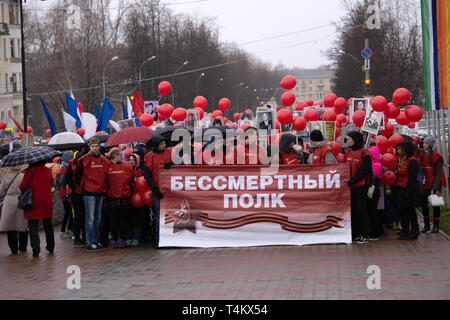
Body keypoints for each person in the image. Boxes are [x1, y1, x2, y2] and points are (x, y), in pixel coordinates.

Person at [75, 137, 111, 252]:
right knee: (90, 219)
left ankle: (95, 240)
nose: (95, 148)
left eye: (96, 146)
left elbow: (107, 174)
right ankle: (89, 242)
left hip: (100, 191)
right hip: (89, 192)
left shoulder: (103, 159)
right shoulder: (84, 159)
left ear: (99, 147)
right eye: (93, 146)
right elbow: (77, 175)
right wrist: (82, 187)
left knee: (98, 219)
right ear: (90, 147)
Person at [20, 160, 54, 258]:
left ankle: (36, 250)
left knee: (33, 227)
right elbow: (51, 183)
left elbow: (23, 186)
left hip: (34, 202)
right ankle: (51, 247)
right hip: (46, 201)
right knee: (48, 225)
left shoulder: (29, 171)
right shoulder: (48, 170)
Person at [345, 131, 372, 243]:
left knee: (361, 211)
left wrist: (353, 180)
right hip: (351, 187)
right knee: (354, 211)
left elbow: (364, 170)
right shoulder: (350, 152)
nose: (348, 141)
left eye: (349, 139)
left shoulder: (365, 153)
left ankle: (365, 234)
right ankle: (355, 233)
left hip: (361, 186)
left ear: (356, 139)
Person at [144, 134, 171, 245]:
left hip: (170, 189)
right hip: (158, 190)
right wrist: (155, 189)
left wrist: (172, 164)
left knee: (170, 214)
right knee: (159, 215)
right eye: (161, 144)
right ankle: (159, 239)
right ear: (156, 145)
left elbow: (179, 166)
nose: (164, 145)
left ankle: (170, 239)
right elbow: (147, 175)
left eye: (164, 143)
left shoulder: (169, 153)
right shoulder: (150, 156)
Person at [106, 148, 134, 248]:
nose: (120, 156)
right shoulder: (107, 166)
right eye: (118, 154)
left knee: (124, 220)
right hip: (112, 197)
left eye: (120, 154)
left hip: (124, 196)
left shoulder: (126, 166)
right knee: (113, 220)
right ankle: (114, 239)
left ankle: (123, 239)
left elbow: (130, 179)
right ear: (113, 155)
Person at [418, 136, 447, 233]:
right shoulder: (421, 154)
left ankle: (436, 226)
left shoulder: (437, 156)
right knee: (424, 204)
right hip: (425, 183)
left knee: (436, 204)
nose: (423, 144)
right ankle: (426, 225)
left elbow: (439, 172)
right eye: (423, 143)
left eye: (426, 143)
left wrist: (435, 187)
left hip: (437, 184)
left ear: (430, 145)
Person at [394, 141, 420, 240]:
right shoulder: (401, 159)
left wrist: (408, 192)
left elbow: (412, 178)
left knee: (410, 211)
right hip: (401, 187)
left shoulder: (412, 161)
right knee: (403, 211)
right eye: (398, 149)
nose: (398, 151)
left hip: (409, 189)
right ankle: (405, 230)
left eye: (400, 149)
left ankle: (414, 231)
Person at [0, 165, 28, 254]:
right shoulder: (23, 176)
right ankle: (23, 247)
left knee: (10, 226)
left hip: (9, 202)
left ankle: (13, 249)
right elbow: (27, 189)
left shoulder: (6, 177)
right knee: (22, 226)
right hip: (21, 201)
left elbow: (1, 192)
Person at [66, 148, 88, 247]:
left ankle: (81, 237)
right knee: (80, 216)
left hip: (79, 193)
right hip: (77, 193)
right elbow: (68, 179)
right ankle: (79, 237)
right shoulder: (73, 165)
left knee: (80, 216)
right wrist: (75, 188)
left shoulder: (72, 164)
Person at [367, 145, 383, 240]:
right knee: (370, 211)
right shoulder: (373, 163)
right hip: (372, 190)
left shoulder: (376, 165)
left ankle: (375, 232)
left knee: (373, 211)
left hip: (373, 190)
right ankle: (372, 230)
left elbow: (372, 177)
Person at [58, 152, 74, 239]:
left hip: (63, 192)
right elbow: (63, 181)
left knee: (68, 212)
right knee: (68, 212)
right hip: (65, 192)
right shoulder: (65, 168)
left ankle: (66, 230)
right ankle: (65, 230)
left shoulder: (64, 166)